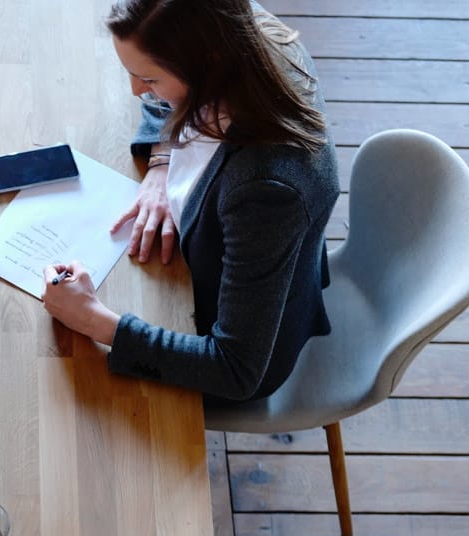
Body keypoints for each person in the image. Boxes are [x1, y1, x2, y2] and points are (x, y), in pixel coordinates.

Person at [40, 0, 339, 404]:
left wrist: (94, 321)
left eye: (149, 78)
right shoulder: (237, 27)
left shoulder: (267, 191)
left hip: (231, 345)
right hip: (218, 265)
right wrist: (163, 162)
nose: (136, 91)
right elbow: (164, 101)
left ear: (206, 64)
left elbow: (235, 369)